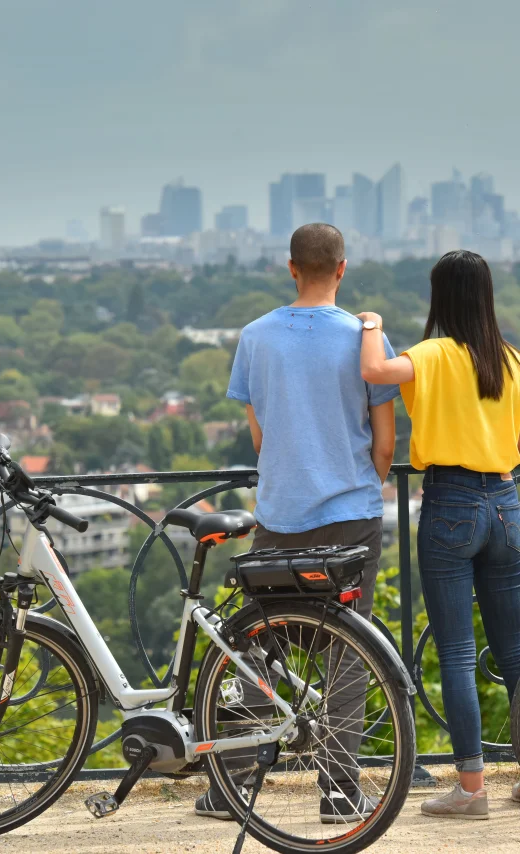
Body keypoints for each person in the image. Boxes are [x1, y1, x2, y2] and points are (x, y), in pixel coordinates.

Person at [195, 223, 400, 822]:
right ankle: (338, 791)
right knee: (348, 650)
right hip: (352, 514)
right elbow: (384, 444)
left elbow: (260, 436)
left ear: (292, 268)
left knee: (257, 643)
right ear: (341, 269)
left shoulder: (256, 337)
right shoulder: (366, 340)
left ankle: (232, 784)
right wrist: (365, 479)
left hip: (280, 516)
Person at [359, 249, 520, 820]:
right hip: (507, 503)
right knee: (516, 648)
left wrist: (373, 327)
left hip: (451, 503)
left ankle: (472, 789)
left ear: (440, 298)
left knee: (454, 653)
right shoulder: (508, 359)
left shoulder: (430, 354)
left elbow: (375, 373)